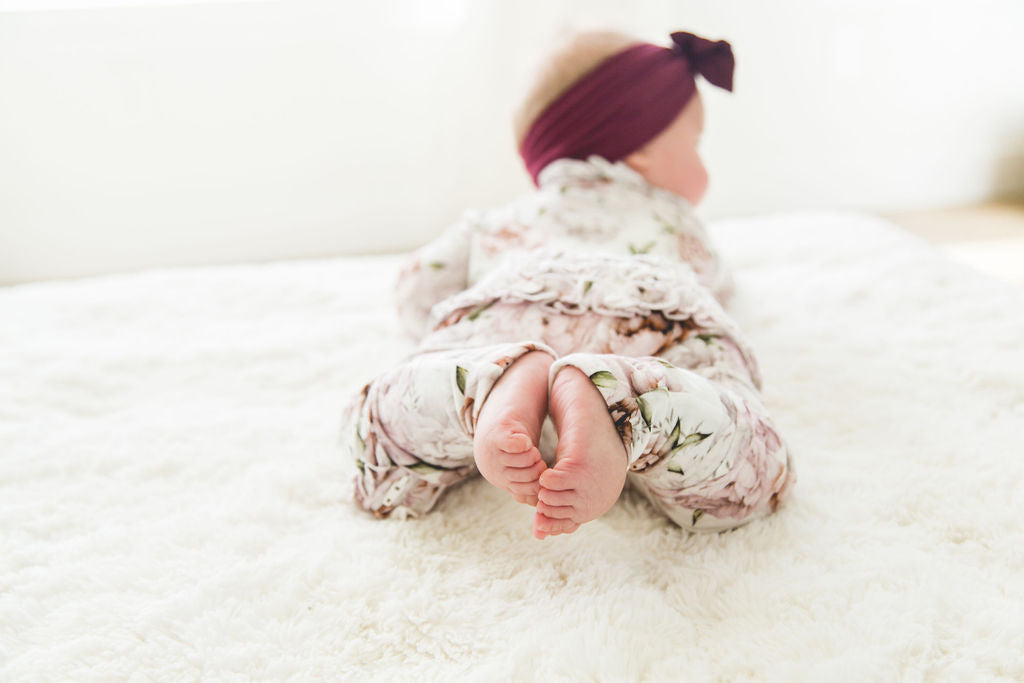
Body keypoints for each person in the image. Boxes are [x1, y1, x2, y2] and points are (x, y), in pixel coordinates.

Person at [342, 29, 796, 540]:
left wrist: (446, 343)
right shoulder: (677, 221)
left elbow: (415, 289)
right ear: (641, 149)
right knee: (755, 474)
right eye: (694, 144)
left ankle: (486, 385)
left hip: (512, 302)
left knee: (379, 442)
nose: (702, 162)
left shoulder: (501, 218)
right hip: (654, 316)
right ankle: (628, 403)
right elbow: (719, 293)